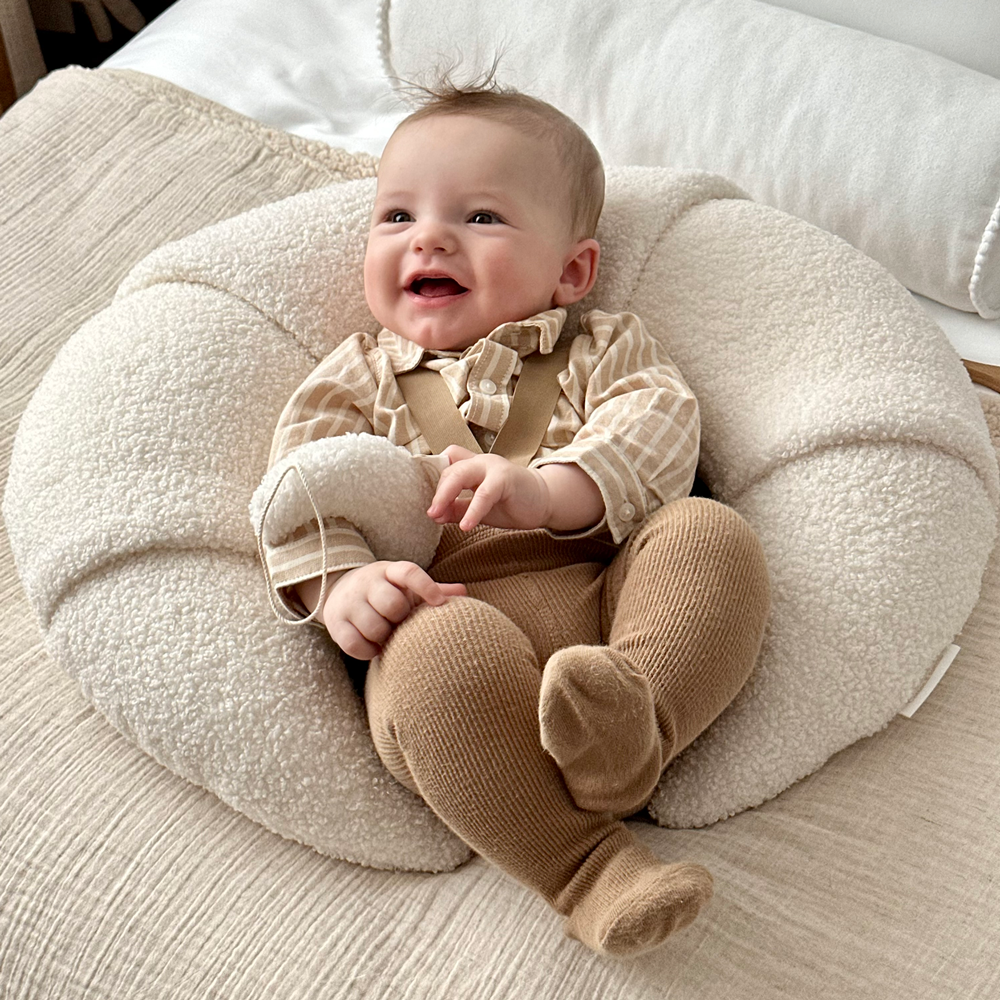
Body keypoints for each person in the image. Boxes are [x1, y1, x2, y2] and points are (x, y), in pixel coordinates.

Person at [258, 78, 771, 956]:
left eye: (482, 217)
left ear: (571, 272)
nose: (429, 237)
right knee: (431, 655)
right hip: (453, 618)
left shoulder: (601, 346)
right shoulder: (359, 376)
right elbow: (300, 489)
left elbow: (658, 425)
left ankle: (635, 729)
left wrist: (550, 491)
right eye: (397, 216)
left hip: (606, 600)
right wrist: (341, 583)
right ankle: (587, 869)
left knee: (709, 536)